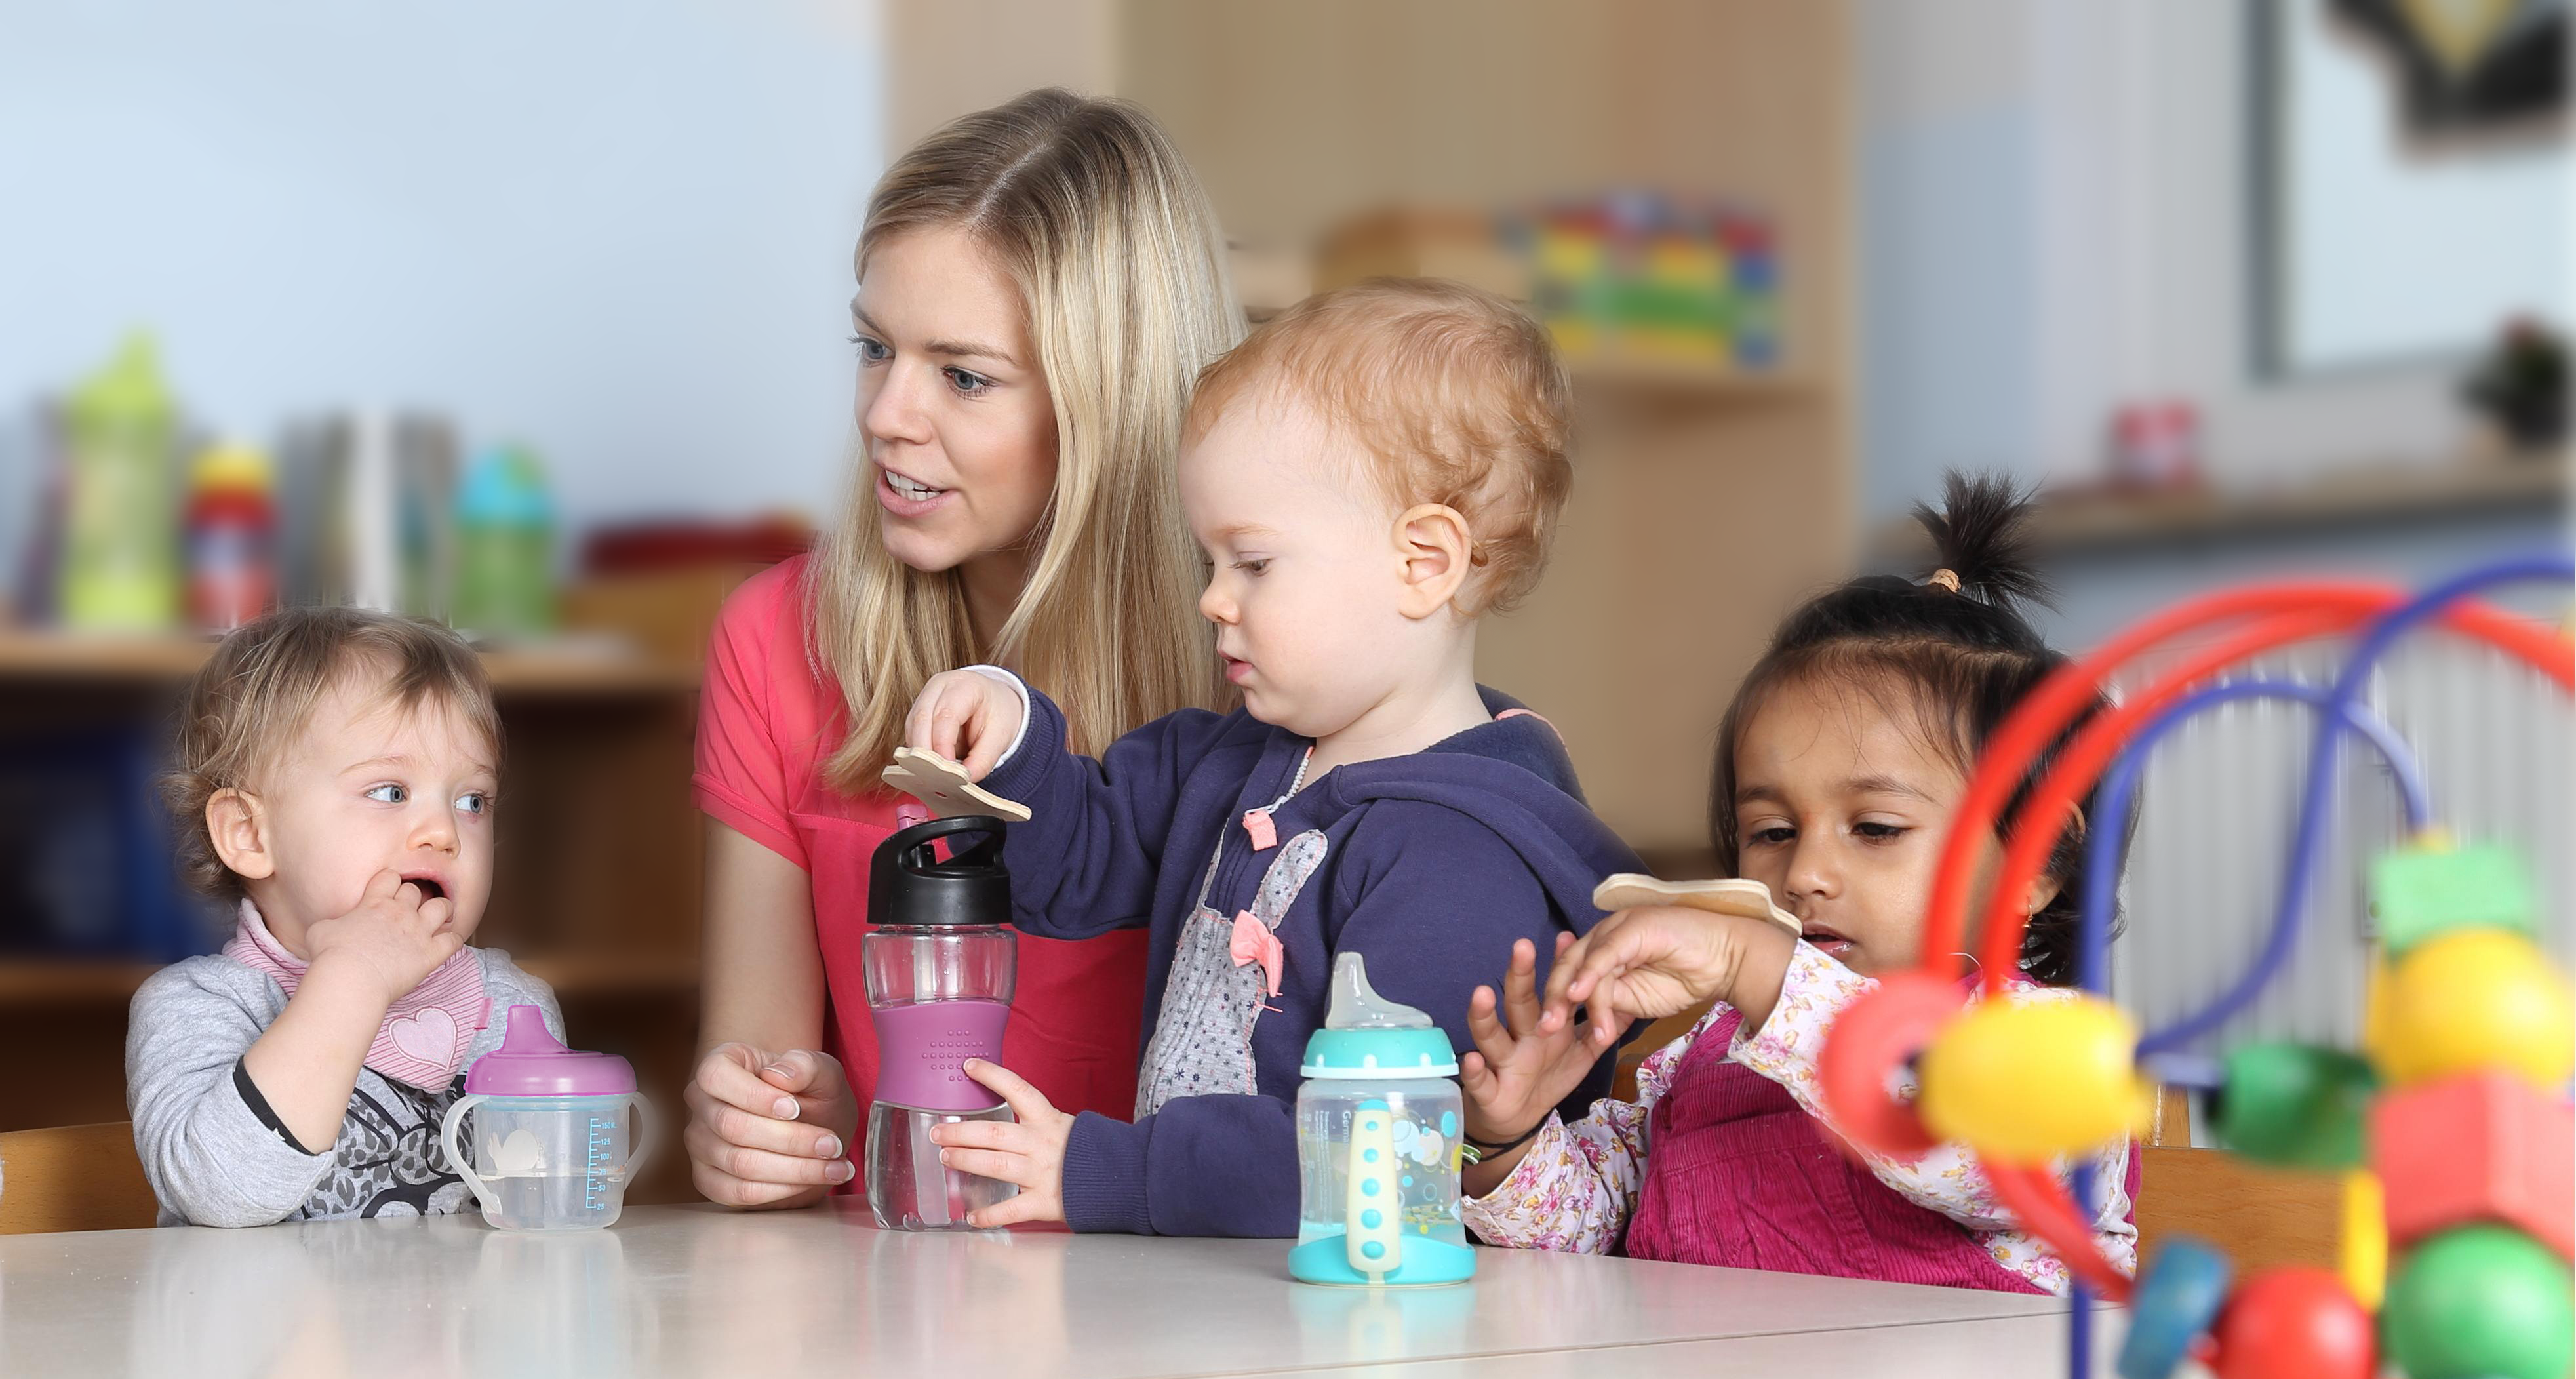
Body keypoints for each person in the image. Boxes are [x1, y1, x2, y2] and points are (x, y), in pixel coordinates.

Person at [903, 278, 1640, 1235]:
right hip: (1219, 1291)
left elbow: (1379, 1154)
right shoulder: (1227, 758)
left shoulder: (1459, 858)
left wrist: (1108, 1167)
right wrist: (1010, 736)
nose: (1213, 597)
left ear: (1422, 562)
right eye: (1211, 561)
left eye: (1252, 562)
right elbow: (1071, 868)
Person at [685, 89, 1242, 1208]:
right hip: (898, 1297)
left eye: (963, 374)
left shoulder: (1261, 665)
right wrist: (762, 1130)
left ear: (1108, 404)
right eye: (873, 346)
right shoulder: (774, 640)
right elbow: (766, 1073)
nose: (886, 412)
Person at [1457, 473, 2141, 1294]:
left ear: (2036, 864)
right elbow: (1598, 1232)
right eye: (1772, 833)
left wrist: (1763, 972)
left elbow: (1956, 1147)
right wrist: (1508, 1142)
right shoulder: (1708, 1054)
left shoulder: (2053, 1049)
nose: (1805, 875)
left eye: (1876, 829)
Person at [129, 606, 563, 1226]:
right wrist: (353, 979)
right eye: (390, 791)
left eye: (472, 800)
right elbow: (219, 1195)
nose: (443, 831)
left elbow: (546, 1222)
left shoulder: (513, 1008)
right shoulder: (198, 1006)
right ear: (250, 834)